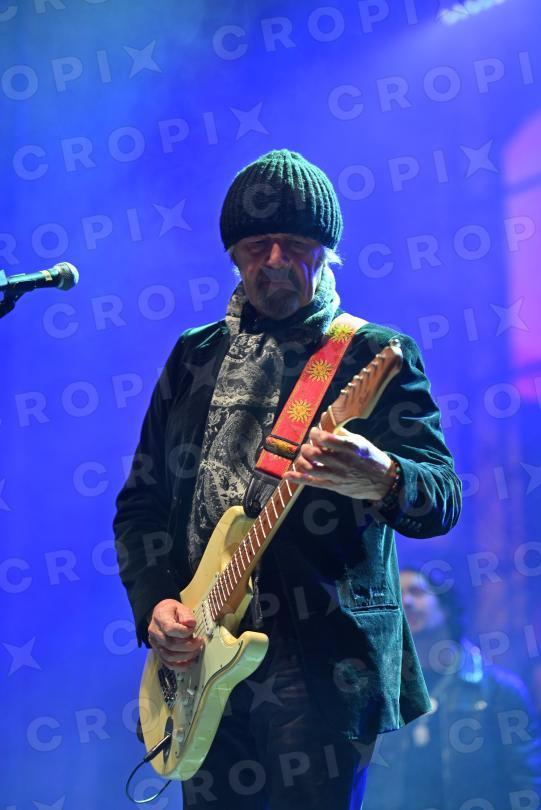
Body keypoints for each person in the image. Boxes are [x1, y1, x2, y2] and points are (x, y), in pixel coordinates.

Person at [113, 149, 462, 808]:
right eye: (255, 246)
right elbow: (141, 505)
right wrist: (156, 603)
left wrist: (385, 477)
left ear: (326, 252)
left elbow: (442, 497)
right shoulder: (193, 356)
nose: (273, 260)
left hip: (321, 664)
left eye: (295, 244)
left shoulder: (369, 354)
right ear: (232, 256)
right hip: (202, 652)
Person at [363, 567, 541, 810]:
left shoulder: (498, 689)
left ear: (446, 606)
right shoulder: (382, 690)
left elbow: (527, 779)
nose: (406, 602)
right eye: (398, 594)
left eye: (416, 592)